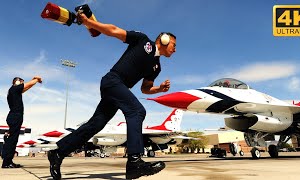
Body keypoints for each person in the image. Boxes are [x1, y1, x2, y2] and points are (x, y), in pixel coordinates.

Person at [47, 12, 176, 180]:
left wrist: (159, 89)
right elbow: (114, 31)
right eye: (173, 44)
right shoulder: (143, 41)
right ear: (164, 39)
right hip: (113, 81)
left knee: (95, 125)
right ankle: (134, 162)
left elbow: (145, 88)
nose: (175, 49)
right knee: (137, 112)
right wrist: (90, 23)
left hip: (119, 89)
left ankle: (58, 153)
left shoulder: (157, 67)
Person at [1, 76, 42, 168]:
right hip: (15, 117)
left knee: (12, 140)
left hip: (13, 117)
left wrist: (33, 82)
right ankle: (7, 163)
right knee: (12, 140)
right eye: (22, 81)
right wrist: (37, 79)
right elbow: (28, 84)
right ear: (17, 82)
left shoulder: (13, 90)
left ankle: (7, 161)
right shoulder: (15, 88)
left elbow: (26, 87)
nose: (23, 83)